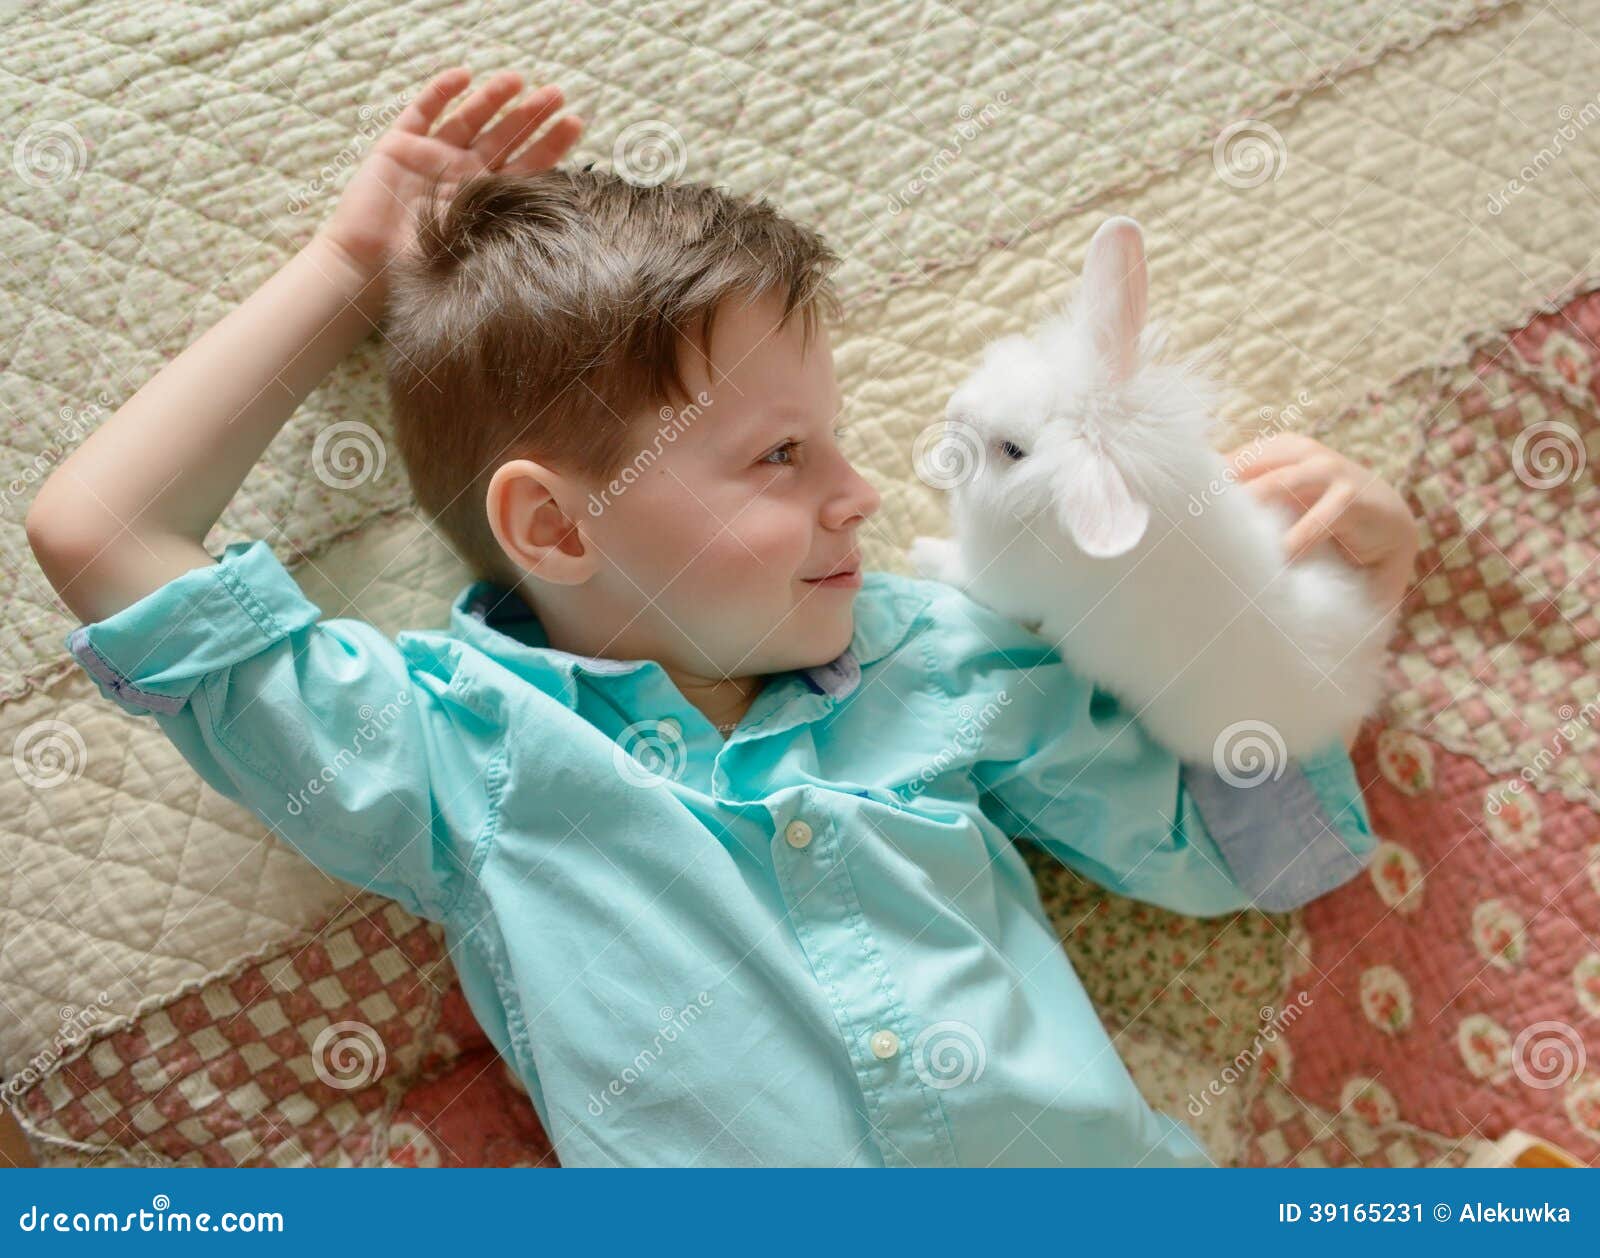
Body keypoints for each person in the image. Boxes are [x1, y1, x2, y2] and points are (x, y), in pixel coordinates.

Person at [25, 67, 1420, 1167]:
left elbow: (1250, 848)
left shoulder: (925, 656)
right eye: (781, 457)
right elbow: (103, 530)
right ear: (558, 527)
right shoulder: (454, 751)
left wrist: (1322, 592)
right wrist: (349, 269)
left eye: (835, 439)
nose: (863, 494)